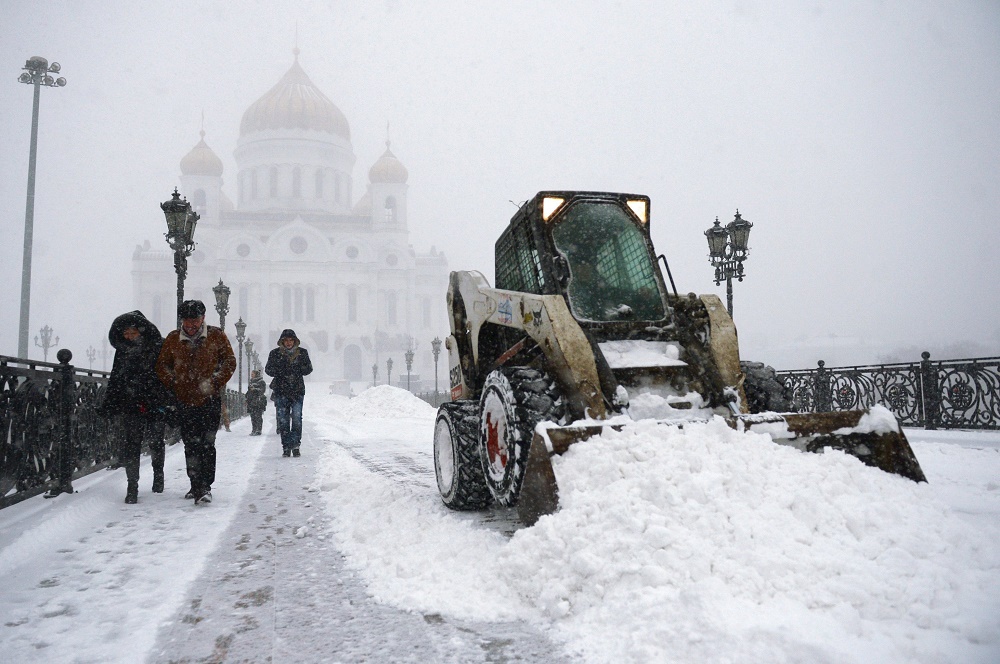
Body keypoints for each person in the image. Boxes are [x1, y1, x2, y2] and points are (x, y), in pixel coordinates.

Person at [156, 300, 236, 504]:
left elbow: (229, 361)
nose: (191, 325)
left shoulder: (216, 335)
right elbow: (162, 365)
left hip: (209, 399)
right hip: (184, 400)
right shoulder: (174, 339)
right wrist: (174, 382)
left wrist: (215, 381)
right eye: (187, 321)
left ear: (203, 319)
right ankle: (195, 484)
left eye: (195, 321)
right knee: (190, 443)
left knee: (208, 443)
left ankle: (205, 485)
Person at [97, 311, 170, 503]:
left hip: (155, 403)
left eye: (132, 333)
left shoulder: (158, 346)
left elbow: (167, 375)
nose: (128, 337)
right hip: (131, 403)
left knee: (156, 441)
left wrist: (167, 401)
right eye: (126, 334)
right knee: (132, 444)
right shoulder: (122, 350)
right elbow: (116, 377)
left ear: (141, 332)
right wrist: (109, 404)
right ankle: (132, 486)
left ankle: (158, 475)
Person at [265, 329, 312, 457]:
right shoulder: (274, 354)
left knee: (297, 418)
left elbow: (309, 368)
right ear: (282, 341)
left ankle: (296, 445)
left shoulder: (302, 353)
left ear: (295, 341)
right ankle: (286, 446)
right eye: (286, 340)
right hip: (282, 391)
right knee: (283, 420)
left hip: (297, 391)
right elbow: (268, 369)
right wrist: (281, 370)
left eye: (291, 340)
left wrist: (297, 369)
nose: (289, 342)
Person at [246, 369, 267, 436]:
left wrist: (254, 390)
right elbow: (249, 392)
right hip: (251, 401)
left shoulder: (261, 382)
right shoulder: (251, 382)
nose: (251, 375)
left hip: (258, 401)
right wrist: (246, 398)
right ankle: (254, 429)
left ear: (256, 374)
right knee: (252, 416)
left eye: (253, 374)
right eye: (251, 374)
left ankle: (258, 430)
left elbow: (262, 390)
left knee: (258, 416)